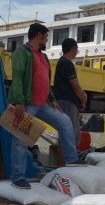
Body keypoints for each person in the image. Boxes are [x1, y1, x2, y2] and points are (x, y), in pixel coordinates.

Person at [8, 23, 81, 189]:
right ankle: (17, 177)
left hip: (43, 104)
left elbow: (45, 81)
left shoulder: (44, 57)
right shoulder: (22, 53)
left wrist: (52, 98)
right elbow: (18, 77)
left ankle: (71, 160)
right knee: (20, 138)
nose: (47, 40)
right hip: (27, 104)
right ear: (39, 35)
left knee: (64, 121)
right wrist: (19, 101)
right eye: (46, 36)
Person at [54, 38, 87, 145]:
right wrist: (83, 97)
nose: (77, 52)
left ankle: (64, 161)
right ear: (73, 48)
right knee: (69, 135)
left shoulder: (62, 62)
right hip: (68, 103)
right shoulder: (67, 63)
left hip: (64, 102)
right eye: (77, 49)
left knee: (66, 135)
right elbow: (75, 86)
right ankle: (68, 161)